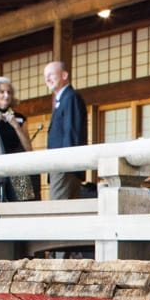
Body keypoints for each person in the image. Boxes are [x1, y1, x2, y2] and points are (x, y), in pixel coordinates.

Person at [0, 76, 39, 201]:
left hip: (17, 165)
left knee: (24, 200)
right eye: (1, 92)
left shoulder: (19, 118)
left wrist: (16, 126)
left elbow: (28, 149)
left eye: (9, 92)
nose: (6, 95)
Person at [43, 60, 87, 200]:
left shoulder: (70, 97)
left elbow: (71, 132)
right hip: (59, 165)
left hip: (63, 164)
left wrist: (68, 162)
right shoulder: (62, 99)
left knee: (58, 209)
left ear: (64, 75)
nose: (47, 79)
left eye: (50, 74)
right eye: (45, 77)